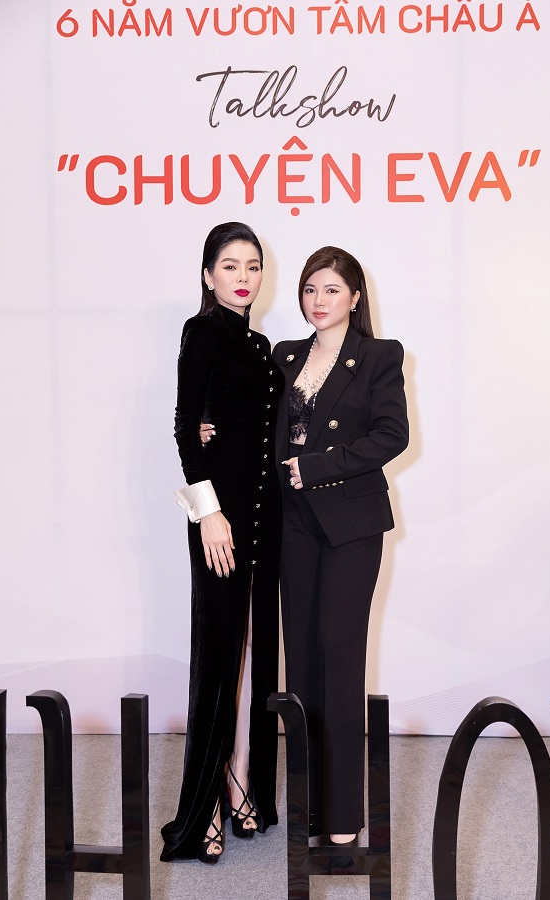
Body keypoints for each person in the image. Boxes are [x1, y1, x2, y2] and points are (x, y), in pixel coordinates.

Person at [272, 246, 409, 845]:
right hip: (292, 522)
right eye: (310, 289)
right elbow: (261, 426)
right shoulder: (284, 355)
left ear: (355, 297)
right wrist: (209, 428)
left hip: (352, 523)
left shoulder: (379, 355)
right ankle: (307, 802)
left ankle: (344, 814)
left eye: (331, 289)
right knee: (300, 653)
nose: (318, 300)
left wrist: (317, 467)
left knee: (339, 648)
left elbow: (392, 435)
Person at [161, 222, 283, 864]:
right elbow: (186, 426)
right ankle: (205, 800)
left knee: (256, 652)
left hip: (266, 517)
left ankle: (240, 777)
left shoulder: (261, 345)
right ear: (209, 276)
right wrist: (208, 514)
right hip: (222, 520)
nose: (243, 276)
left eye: (253, 266)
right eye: (230, 265)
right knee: (219, 657)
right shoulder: (202, 331)